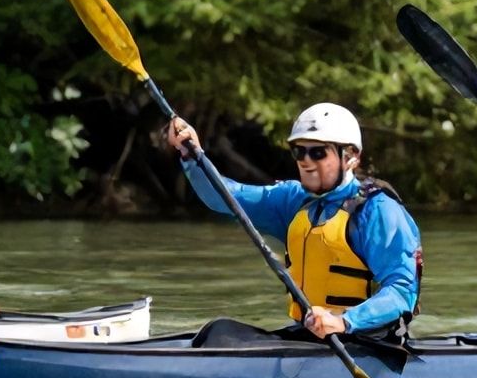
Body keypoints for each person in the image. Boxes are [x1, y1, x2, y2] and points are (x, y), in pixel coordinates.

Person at [165, 102, 421, 347]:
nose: (305, 161)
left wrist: (343, 321)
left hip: (367, 343)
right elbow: (225, 196)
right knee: (219, 332)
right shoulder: (293, 200)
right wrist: (192, 155)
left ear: (351, 156)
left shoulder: (378, 211)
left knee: (219, 338)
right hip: (310, 338)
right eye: (300, 151)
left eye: (317, 152)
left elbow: (401, 293)